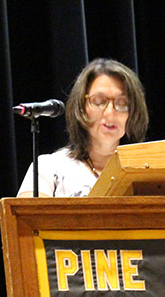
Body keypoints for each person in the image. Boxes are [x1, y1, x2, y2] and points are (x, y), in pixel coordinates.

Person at [17, 58, 149, 197]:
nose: (110, 112)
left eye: (122, 103)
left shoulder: (147, 172)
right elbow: (27, 217)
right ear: (81, 108)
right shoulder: (49, 167)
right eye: (98, 101)